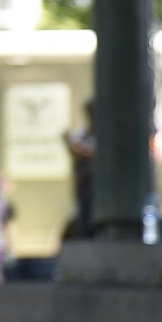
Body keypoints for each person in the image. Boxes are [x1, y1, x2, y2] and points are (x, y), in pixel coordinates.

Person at [63, 98, 95, 238]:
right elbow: (74, 149)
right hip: (83, 185)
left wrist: (77, 148)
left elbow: (92, 153)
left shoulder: (104, 135)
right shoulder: (82, 134)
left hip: (100, 188)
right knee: (83, 216)